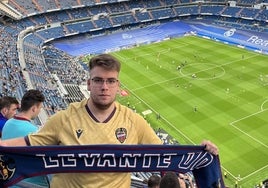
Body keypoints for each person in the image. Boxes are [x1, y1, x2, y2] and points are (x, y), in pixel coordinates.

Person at [0, 54, 219, 188]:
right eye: (98, 80)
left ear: (117, 84)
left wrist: (201, 151)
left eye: (110, 81)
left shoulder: (133, 121)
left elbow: (164, 155)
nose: (104, 86)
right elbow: (29, 143)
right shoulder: (64, 118)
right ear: (88, 83)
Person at [2, 89, 49, 187]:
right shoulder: (34, 132)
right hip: (28, 183)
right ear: (34, 108)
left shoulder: (7, 123)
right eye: (40, 108)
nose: (40, 111)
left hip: (9, 179)